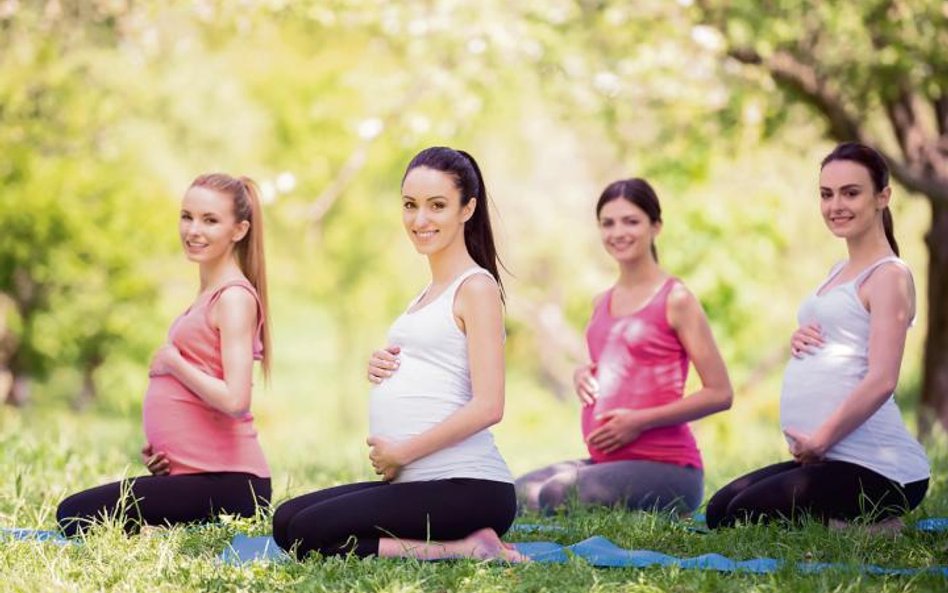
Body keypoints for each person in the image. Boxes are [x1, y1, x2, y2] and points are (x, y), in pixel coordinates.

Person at [272, 147, 522, 562]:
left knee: (306, 532)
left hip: (468, 485)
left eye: (437, 206)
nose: (419, 220)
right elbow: (439, 362)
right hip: (416, 483)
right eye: (410, 205)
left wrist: (401, 453)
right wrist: (386, 365)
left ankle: (464, 547)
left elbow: (489, 405)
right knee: (286, 521)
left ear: (467, 208)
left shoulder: (476, 287)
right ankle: (462, 541)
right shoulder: (426, 293)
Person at [706, 142, 930, 530]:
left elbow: (882, 379)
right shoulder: (837, 269)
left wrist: (821, 439)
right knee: (720, 510)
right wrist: (802, 341)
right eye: (826, 194)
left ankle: (874, 526)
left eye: (850, 193)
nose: (835, 205)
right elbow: (846, 336)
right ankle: (840, 519)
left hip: (881, 468)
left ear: (883, 197)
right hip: (830, 459)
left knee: (744, 515)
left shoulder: (889, 275)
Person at [57, 173, 272, 536]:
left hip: (234, 484)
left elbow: (236, 399)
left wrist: (174, 363)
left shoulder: (234, 298)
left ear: (239, 230)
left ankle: (163, 530)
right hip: (200, 476)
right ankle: (166, 528)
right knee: (81, 515)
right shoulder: (208, 294)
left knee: (74, 514)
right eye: (187, 216)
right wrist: (172, 454)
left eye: (210, 220)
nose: (193, 230)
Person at [515, 178, 733, 515]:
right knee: (520, 492)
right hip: (608, 462)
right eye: (608, 223)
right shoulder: (601, 301)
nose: (619, 232)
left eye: (631, 221)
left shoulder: (676, 299)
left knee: (558, 494)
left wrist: (638, 421)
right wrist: (580, 375)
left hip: (668, 468)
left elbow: (720, 393)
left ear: (655, 226)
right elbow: (616, 369)